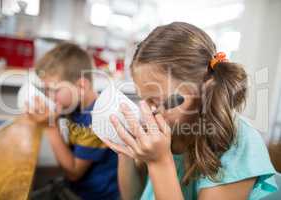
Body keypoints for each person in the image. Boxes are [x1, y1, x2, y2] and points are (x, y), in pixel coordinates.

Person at [105, 22, 278, 200]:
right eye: (144, 100)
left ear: (203, 88)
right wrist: (126, 152)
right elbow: (133, 196)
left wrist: (159, 162)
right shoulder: (170, 127)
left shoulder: (236, 144)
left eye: (156, 100)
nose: (148, 111)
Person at [26, 43, 119, 200]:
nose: (49, 97)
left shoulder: (97, 118)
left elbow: (74, 172)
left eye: (55, 90)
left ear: (82, 86)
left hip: (91, 196)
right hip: (73, 186)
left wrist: (50, 126)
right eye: (46, 90)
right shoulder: (73, 106)